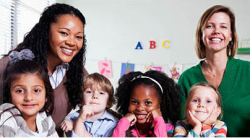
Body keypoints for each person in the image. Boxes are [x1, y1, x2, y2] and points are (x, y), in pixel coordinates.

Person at [0, 3, 88, 136]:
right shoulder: (11, 65)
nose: (71, 42)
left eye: (78, 37)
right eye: (64, 33)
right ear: (46, 31)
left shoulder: (78, 73)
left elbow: (99, 103)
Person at [177, 5, 250, 136]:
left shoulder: (247, 71)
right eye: (209, 26)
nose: (216, 31)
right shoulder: (187, 78)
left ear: (231, 35)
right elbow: (179, 122)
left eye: (223, 26)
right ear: (201, 34)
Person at [0, 49, 58, 137]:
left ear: (46, 95)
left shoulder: (45, 120)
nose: (29, 97)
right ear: (9, 94)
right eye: (20, 91)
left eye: (36, 90)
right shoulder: (8, 116)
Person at [112, 70, 181, 137]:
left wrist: (158, 120)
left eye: (148, 103)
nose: (140, 108)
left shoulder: (170, 130)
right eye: (134, 102)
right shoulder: (124, 127)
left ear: (161, 104)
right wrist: (123, 122)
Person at [60, 73, 119, 137]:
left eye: (101, 93)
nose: (95, 96)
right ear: (81, 98)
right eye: (89, 92)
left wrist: (77, 124)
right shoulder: (70, 119)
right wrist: (79, 120)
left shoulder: (114, 124)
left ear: (108, 101)